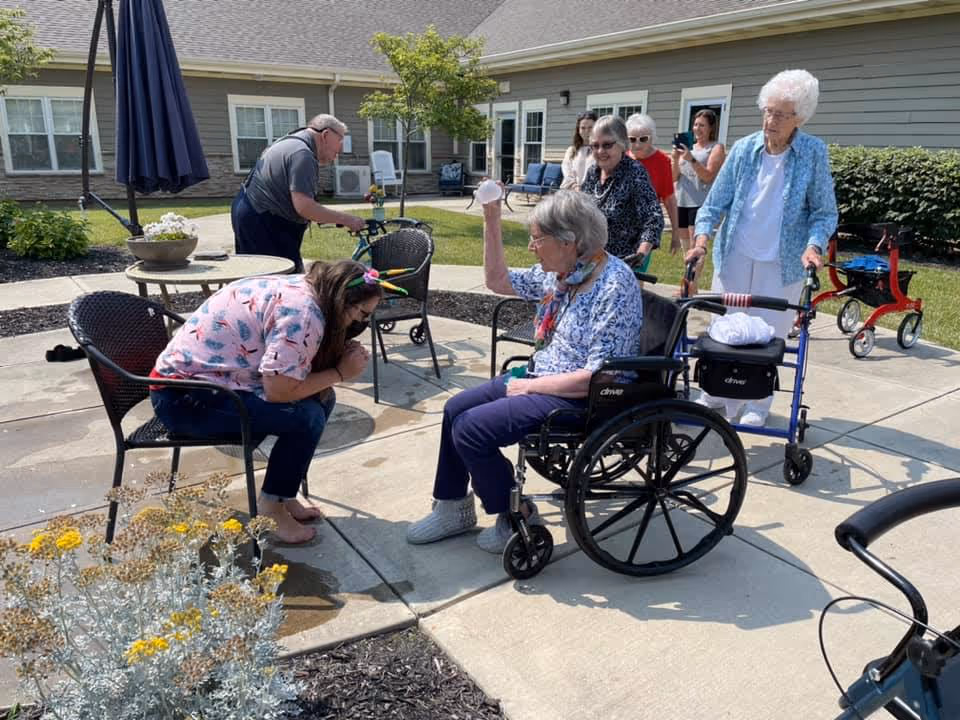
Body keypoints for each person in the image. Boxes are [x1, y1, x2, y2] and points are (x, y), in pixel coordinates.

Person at [406, 190, 644, 554]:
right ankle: (453, 508)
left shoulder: (614, 284)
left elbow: (600, 376)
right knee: (455, 408)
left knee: (471, 430)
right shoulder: (564, 274)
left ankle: (517, 514)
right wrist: (491, 217)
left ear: (568, 242)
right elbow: (498, 280)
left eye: (537, 239)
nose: (532, 247)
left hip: (582, 396)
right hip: (541, 377)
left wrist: (533, 388)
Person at [150, 259, 383, 544]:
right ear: (342, 299)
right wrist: (339, 372)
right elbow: (279, 391)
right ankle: (271, 509)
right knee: (305, 417)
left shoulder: (308, 287)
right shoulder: (303, 315)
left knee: (321, 400)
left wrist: (330, 375)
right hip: (183, 400)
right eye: (361, 314)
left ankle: (282, 493)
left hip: (210, 382)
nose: (359, 323)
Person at [685, 69, 837, 427]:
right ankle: (716, 393)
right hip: (735, 253)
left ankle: (758, 400)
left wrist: (814, 246)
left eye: (781, 114)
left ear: (799, 117)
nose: (770, 120)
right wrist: (702, 241)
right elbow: (714, 204)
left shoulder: (813, 153)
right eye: (767, 111)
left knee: (769, 334)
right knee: (727, 329)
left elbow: (824, 211)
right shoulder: (744, 149)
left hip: (783, 262)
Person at [232, 113, 366, 272]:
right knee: (276, 281)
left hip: (252, 212)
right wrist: (348, 220)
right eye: (340, 140)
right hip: (264, 221)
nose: (341, 148)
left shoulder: (291, 142)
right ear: (326, 135)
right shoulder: (303, 154)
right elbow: (304, 207)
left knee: (261, 279)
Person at [579, 115, 664, 273]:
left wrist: (641, 254)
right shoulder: (592, 172)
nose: (600, 151)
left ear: (622, 144)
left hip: (623, 263)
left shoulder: (634, 172)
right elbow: (580, 211)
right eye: (595, 146)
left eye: (607, 145)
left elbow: (653, 218)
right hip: (592, 259)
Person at [671, 109, 726, 294]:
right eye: (695, 124)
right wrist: (675, 159)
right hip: (682, 201)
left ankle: (689, 286)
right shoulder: (689, 147)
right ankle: (689, 283)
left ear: (711, 128)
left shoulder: (716, 148)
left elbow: (709, 176)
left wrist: (691, 159)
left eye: (702, 125)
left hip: (699, 203)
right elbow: (674, 177)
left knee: (697, 247)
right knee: (687, 247)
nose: (697, 128)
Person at [626, 113, 680, 256]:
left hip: (646, 229)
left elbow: (669, 198)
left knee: (636, 270)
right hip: (620, 227)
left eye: (643, 139)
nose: (637, 144)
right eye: (632, 139)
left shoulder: (662, 161)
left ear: (652, 138)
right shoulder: (620, 158)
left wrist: (675, 232)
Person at [560, 111, 597, 191]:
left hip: (593, 194)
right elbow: (567, 172)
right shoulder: (571, 151)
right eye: (583, 128)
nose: (587, 131)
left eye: (590, 127)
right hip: (573, 193)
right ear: (578, 130)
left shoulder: (601, 150)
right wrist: (575, 187)